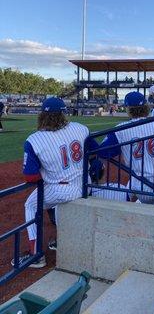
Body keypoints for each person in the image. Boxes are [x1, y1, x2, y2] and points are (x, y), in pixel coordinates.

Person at [11, 97, 97, 268]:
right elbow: (96, 152)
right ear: (65, 114)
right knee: (56, 203)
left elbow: (30, 177)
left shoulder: (34, 139)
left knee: (30, 205)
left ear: (42, 115)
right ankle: (62, 241)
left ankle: (36, 255)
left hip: (61, 189)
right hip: (85, 184)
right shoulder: (80, 128)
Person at [96, 91, 154, 205]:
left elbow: (102, 152)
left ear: (128, 109)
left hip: (141, 184)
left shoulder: (120, 130)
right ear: (146, 107)